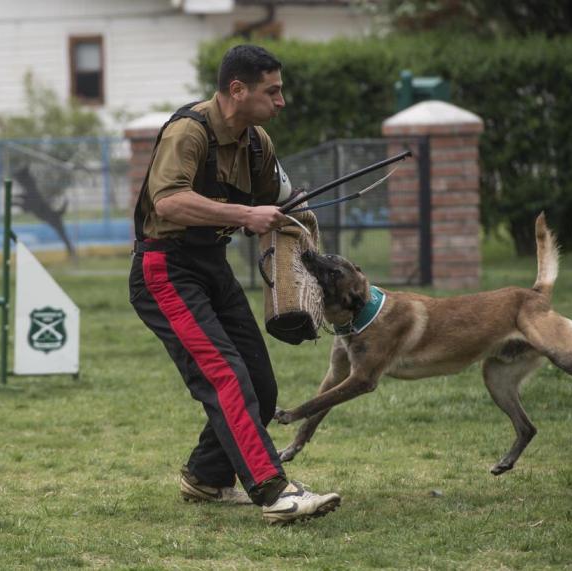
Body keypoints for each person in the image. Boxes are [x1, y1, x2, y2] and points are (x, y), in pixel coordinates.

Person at [129, 44, 340, 524]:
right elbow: (168, 204)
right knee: (226, 375)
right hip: (164, 270)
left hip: (210, 267)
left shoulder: (258, 141)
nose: (281, 100)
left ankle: (207, 477)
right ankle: (273, 490)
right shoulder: (188, 132)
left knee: (261, 386)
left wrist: (300, 223)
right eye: (274, 90)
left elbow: (284, 199)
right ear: (237, 90)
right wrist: (246, 214)